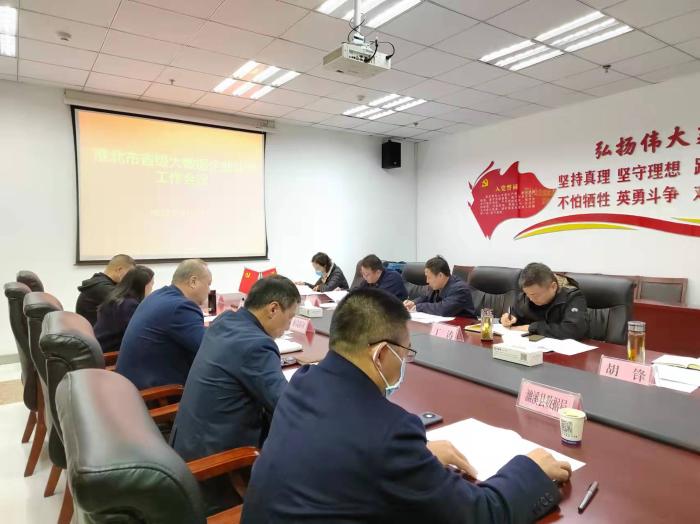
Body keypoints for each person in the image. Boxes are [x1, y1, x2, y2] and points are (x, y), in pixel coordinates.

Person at [242, 288, 571, 523]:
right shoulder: (390, 434)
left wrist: (416, 458)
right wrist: (530, 470)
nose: (404, 362)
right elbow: (479, 514)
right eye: (405, 353)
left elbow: (347, 451)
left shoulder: (302, 383)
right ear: (382, 354)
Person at [171, 274, 300, 512]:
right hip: (218, 471)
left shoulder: (225, 321)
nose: (289, 325)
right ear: (273, 309)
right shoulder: (257, 345)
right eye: (290, 317)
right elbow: (287, 407)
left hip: (188, 447)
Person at [116, 259, 211, 389]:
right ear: (193, 282)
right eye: (208, 284)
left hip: (129, 385)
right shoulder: (181, 307)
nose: (209, 290)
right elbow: (209, 348)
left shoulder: (158, 295)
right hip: (157, 393)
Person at [501, 262, 588, 340]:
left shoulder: (572, 296)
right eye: (527, 294)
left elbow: (574, 329)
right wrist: (510, 319)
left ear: (553, 287)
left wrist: (533, 327)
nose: (530, 298)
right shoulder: (527, 295)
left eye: (534, 295)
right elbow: (516, 314)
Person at [93, 265, 154, 352]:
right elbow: (137, 335)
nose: (152, 289)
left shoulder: (116, 299)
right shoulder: (130, 305)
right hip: (110, 353)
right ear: (145, 286)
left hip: (100, 348)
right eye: (152, 284)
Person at [403, 256, 475, 317]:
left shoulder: (460, 288)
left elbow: (443, 309)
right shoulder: (437, 285)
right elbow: (426, 297)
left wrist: (418, 307)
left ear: (440, 275)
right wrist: (413, 303)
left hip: (464, 325)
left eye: (429, 277)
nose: (427, 281)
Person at [76, 254, 135, 325]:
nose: (130, 278)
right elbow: (128, 303)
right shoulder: (101, 287)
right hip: (91, 331)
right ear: (119, 270)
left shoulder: (101, 283)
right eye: (129, 274)